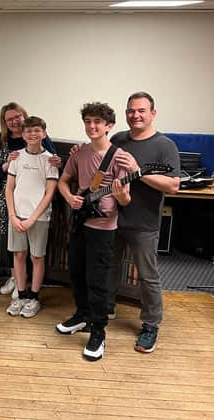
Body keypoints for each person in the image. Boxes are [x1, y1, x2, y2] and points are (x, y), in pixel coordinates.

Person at [56, 102, 131, 362]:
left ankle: (98, 332)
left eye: (98, 122)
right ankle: (81, 315)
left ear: (109, 126)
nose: (92, 126)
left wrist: (121, 196)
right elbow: (64, 182)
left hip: (103, 228)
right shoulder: (79, 153)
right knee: (76, 273)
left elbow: (126, 201)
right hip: (80, 223)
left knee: (97, 281)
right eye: (88, 121)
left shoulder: (118, 156)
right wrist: (70, 198)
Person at [107, 92, 180, 353]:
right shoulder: (117, 140)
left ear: (152, 113)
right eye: (130, 111)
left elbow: (173, 185)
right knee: (110, 266)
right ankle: (106, 308)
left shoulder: (164, 146)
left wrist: (138, 172)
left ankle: (151, 325)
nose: (135, 115)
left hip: (144, 222)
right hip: (113, 218)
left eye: (141, 110)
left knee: (148, 276)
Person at [0, 102, 59, 296]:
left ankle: (27, 284)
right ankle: (15, 278)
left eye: (17, 117)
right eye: (9, 119)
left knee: (33, 248)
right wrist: (6, 166)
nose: (14, 121)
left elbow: (53, 161)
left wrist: (59, 161)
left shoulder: (39, 139)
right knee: (9, 241)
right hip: (8, 198)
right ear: (4, 122)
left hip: (35, 202)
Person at [4, 116, 58, 318]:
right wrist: (13, 215)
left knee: (37, 257)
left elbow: (50, 193)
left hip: (39, 218)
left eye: (36, 130)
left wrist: (32, 218)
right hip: (16, 216)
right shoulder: (16, 157)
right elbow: (9, 189)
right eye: (28, 131)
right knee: (18, 255)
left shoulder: (50, 160)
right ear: (23, 134)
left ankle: (34, 297)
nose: (32, 134)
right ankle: (22, 295)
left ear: (43, 133)